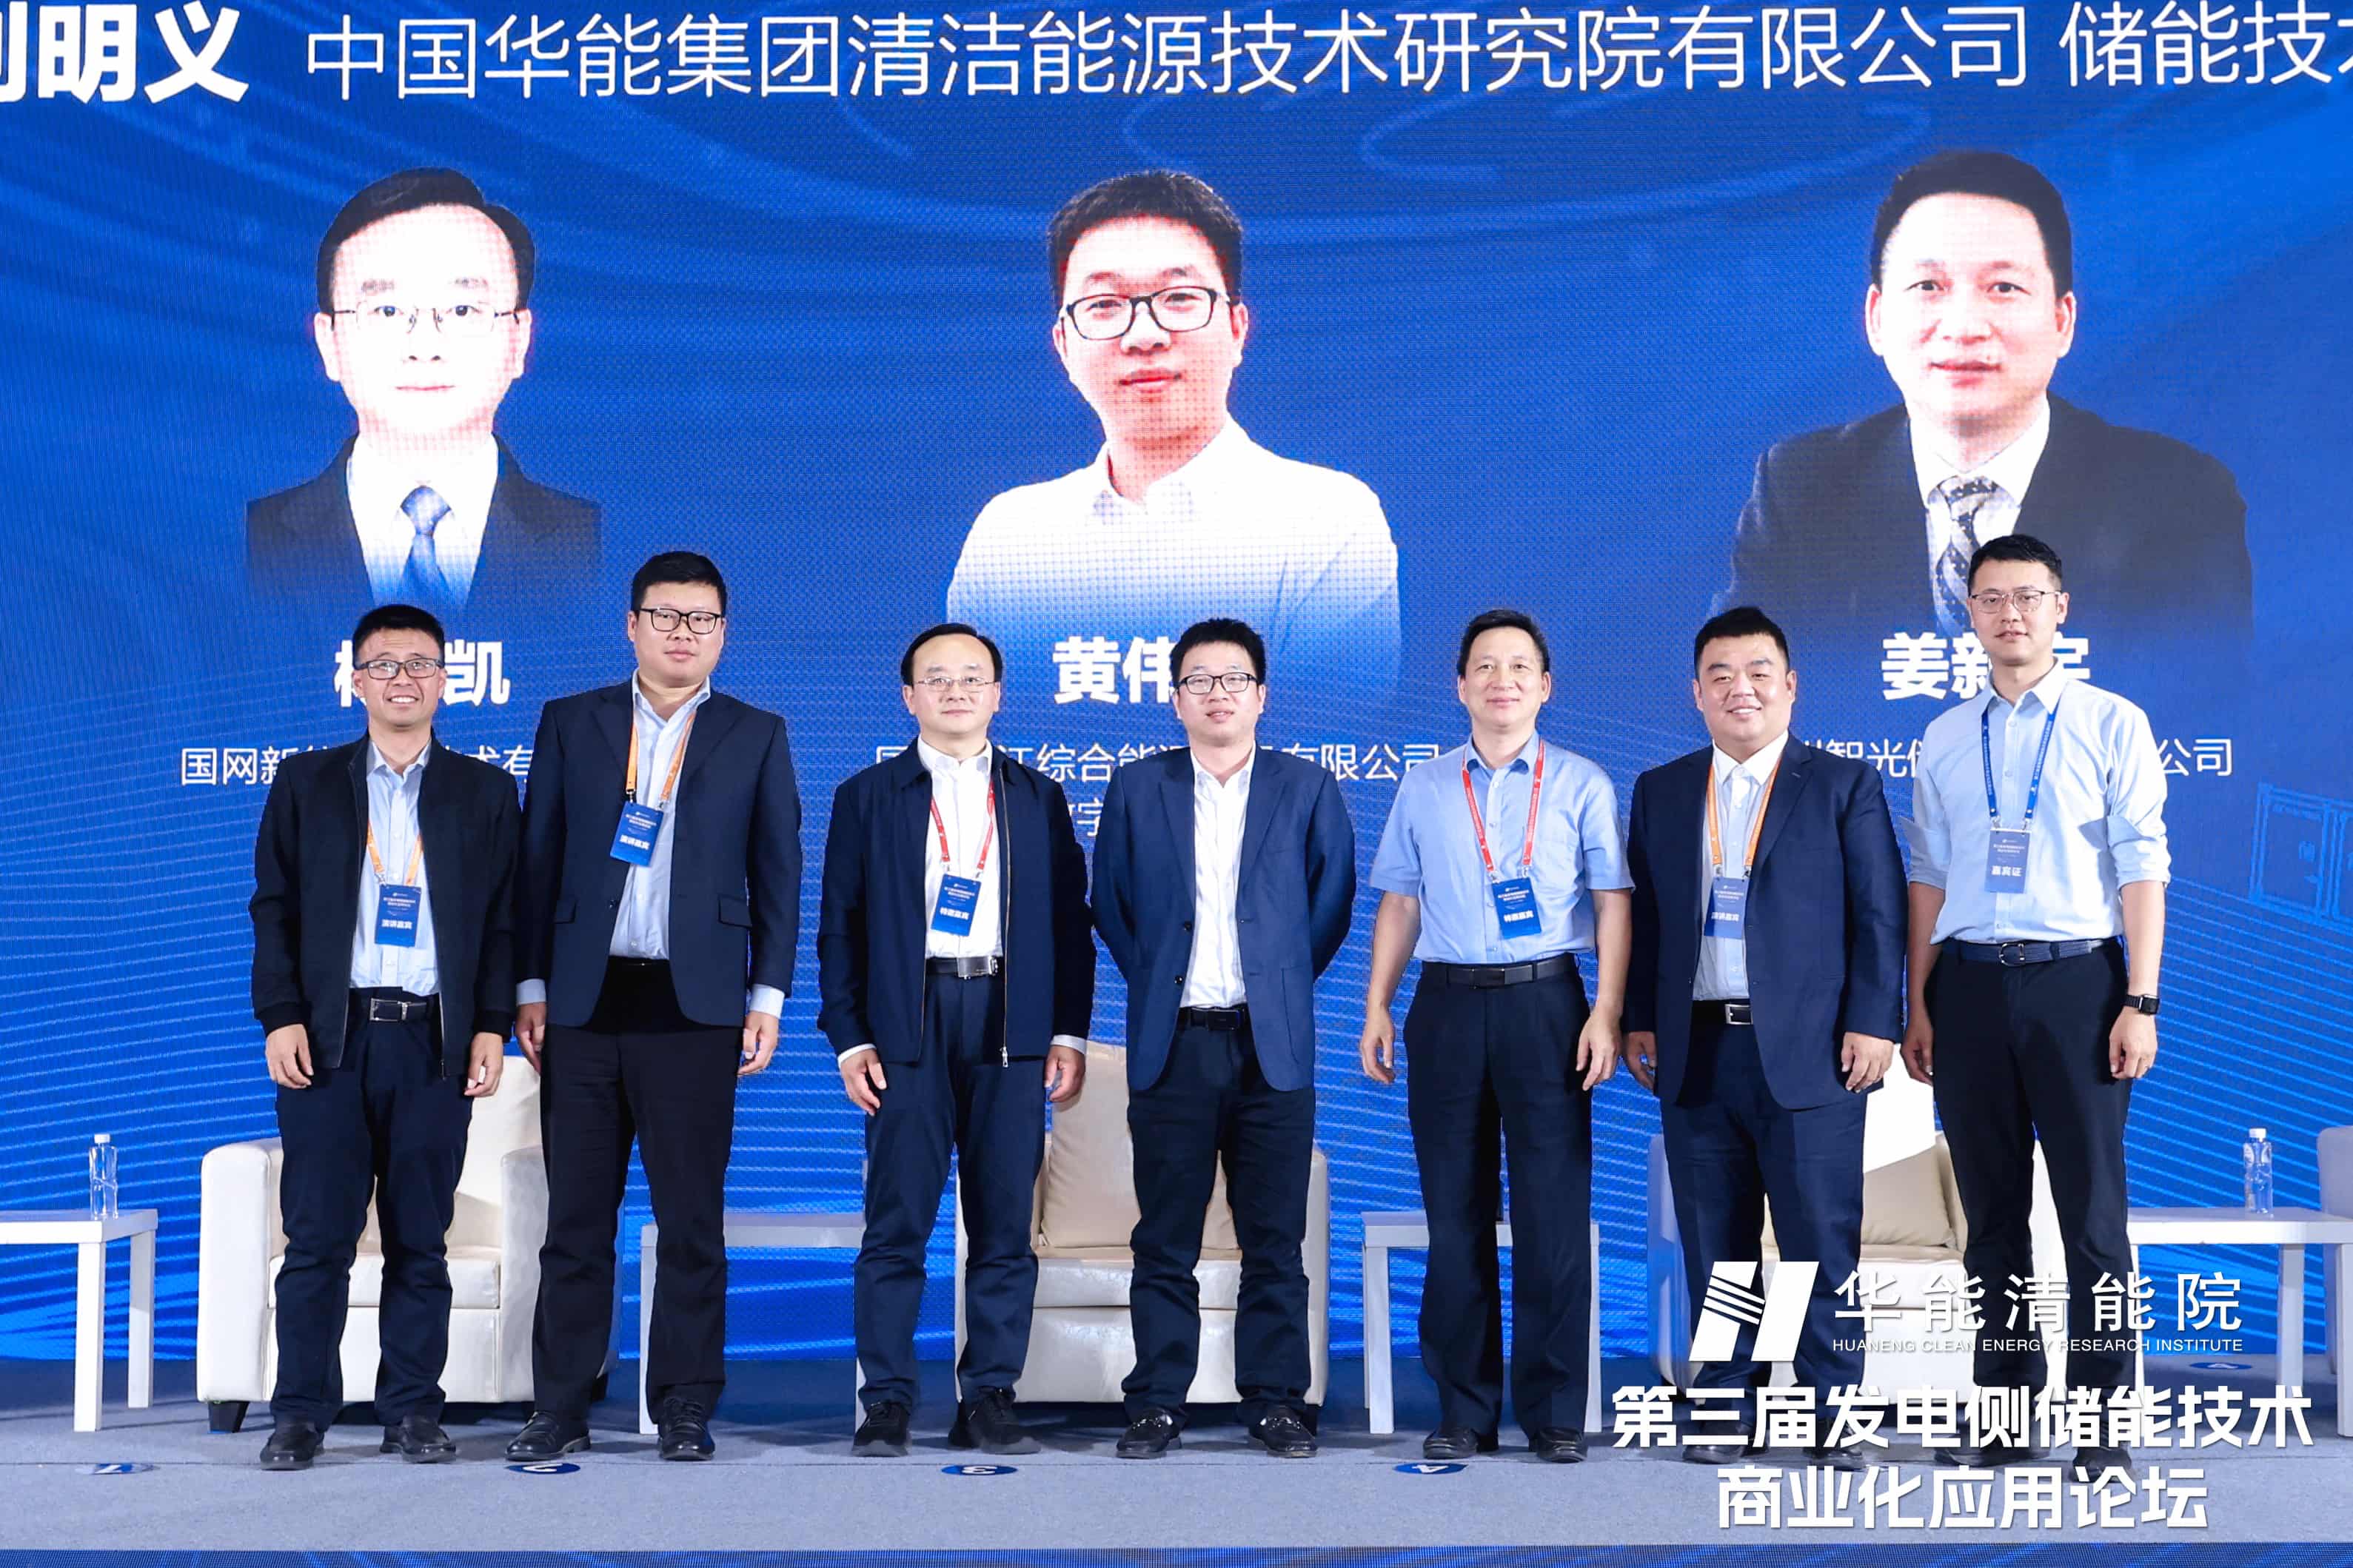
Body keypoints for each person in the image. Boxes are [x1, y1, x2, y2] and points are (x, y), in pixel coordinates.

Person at [504, 552, 801, 1463]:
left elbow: (778, 874)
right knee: (575, 1221)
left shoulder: (755, 733)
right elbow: (537, 860)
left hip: (696, 1005)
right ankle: (559, 1405)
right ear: (631, 625)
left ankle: (684, 1404)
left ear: (723, 633)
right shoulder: (573, 722)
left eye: (701, 619)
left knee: (691, 1220)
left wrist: (767, 995)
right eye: (665, 616)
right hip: (584, 1003)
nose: (683, 633)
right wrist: (530, 985)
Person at [1719, 150, 2249, 650]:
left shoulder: (2177, 497)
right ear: (1876, 319)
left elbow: (2201, 697)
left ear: (2062, 321)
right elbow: (1740, 688)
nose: (1964, 326)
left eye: (2003, 288)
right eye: (1928, 286)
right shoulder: (1803, 488)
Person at [1901, 533, 2169, 1483]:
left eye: (2026, 596)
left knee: (2092, 1219)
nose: (2008, 613)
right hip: (1968, 986)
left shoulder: (2110, 722)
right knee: (1992, 1219)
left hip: (2078, 985)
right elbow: (1928, 877)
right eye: (1990, 598)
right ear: (1968, 614)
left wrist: (2139, 999)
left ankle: (2101, 1427)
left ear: (2061, 607)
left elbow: (2142, 868)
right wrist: (1917, 1002)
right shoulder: (1943, 736)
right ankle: (2008, 1417)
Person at [1621, 606, 1906, 1468]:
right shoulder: (1663, 790)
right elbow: (1648, 918)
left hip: (1814, 1055)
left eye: (1756, 673)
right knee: (1718, 1250)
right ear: (1696, 694)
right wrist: (1638, 1017)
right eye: (1720, 675)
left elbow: (1879, 914)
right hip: (1698, 1050)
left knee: (1821, 1245)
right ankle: (1721, 1411)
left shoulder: (1842, 785)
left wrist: (1874, 1021)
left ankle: (1835, 1419)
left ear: (1789, 686)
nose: (1738, 689)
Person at [945, 170, 1399, 711]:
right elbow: (971, 738)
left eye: (1180, 297)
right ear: (1064, 345)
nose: (1144, 336)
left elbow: (1328, 733)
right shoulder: (1009, 537)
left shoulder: (1327, 519)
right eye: (1104, 305)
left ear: (1237, 329)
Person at [247, 602, 519, 1470]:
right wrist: (281, 1015)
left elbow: (502, 922)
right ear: (355, 681)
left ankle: (412, 1412)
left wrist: (491, 1026)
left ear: (447, 681)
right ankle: (300, 1415)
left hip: (432, 1042)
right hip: (330, 1040)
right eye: (385, 665)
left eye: (421, 665)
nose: (404, 679)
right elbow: (273, 910)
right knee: (317, 1240)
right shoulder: (307, 782)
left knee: (419, 1241)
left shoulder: (484, 791)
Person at [1359, 609, 1630, 1464]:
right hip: (1444, 1006)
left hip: (1547, 1006)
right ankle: (1464, 1410)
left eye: (1518, 666)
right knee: (1455, 1214)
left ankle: (1553, 1412)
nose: (1500, 680)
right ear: (1460, 686)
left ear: (1544, 686)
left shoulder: (1582, 782)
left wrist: (1606, 1011)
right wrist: (1377, 1005)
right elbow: (1399, 900)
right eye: (1484, 666)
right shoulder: (1425, 785)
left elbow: (1612, 902)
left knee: (1553, 1214)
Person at [821, 623, 1095, 1458]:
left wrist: (1066, 1032)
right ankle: (888, 1400)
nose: (955, 691)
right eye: (936, 678)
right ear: (909, 696)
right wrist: (851, 1039)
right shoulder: (868, 796)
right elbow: (839, 928)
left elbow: (1071, 927)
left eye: (972, 677)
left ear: (998, 694)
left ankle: (990, 1396)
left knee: (1003, 1224)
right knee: (896, 1224)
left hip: (1009, 1021)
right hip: (908, 1022)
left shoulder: (1036, 796)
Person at [1092, 618, 1356, 1459]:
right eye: (1198, 681)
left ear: (1261, 696)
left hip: (1270, 1046)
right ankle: (1156, 1403)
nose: (1217, 694)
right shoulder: (1138, 788)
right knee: (1163, 1237)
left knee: (1273, 1238)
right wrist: (1164, 981)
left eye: (1234, 679)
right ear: (1175, 699)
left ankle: (1276, 1402)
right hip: (1173, 1043)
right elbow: (1113, 907)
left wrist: (1274, 985)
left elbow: (1329, 906)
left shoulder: (1306, 787)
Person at [249, 167, 598, 620]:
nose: (425, 346)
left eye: (462, 310)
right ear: (329, 343)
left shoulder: (594, 541)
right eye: (387, 311)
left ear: (518, 341)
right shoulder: (247, 539)